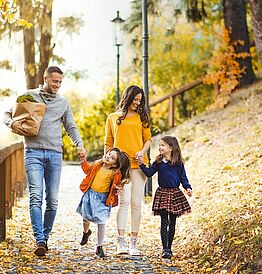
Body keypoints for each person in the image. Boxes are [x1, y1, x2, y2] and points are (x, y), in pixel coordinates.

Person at [2, 66, 86, 256]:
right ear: (45, 78)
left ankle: (44, 238)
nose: (57, 85)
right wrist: (12, 124)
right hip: (33, 153)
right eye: (54, 81)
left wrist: (79, 146)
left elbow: (71, 127)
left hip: (55, 155)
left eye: (60, 82)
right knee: (36, 196)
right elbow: (7, 114)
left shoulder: (63, 102)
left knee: (53, 200)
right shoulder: (29, 96)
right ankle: (39, 238)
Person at [104, 85, 152, 255]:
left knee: (136, 204)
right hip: (121, 167)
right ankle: (121, 243)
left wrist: (142, 151)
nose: (137, 103)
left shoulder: (142, 117)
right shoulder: (112, 118)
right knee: (123, 202)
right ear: (127, 98)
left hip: (139, 166)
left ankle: (134, 244)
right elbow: (109, 143)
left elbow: (148, 139)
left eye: (140, 100)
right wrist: (107, 164)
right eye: (135, 99)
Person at [138, 136, 192, 259]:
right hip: (162, 193)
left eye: (163, 145)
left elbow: (183, 178)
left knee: (172, 222)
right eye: (160, 145)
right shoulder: (158, 162)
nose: (160, 147)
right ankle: (165, 249)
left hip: (175, 194)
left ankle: (169, 248)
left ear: (171, 148)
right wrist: (141, 164)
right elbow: (149, 173)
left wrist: (187, 187)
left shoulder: (178, 163)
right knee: (164, 221)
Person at [76, 148, 130, 258]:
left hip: (102, 199)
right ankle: (86, 232)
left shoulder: (114, 173)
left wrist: (118, 187)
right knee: (85, 218)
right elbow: (87, 170)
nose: (108, 157)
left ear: (115, 165)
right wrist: (83, 161)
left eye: (112, 157)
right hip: (90, 195)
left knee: (101, 222)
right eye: (108, 154)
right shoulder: (97, 164)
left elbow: (118, 184)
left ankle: (99, 247)